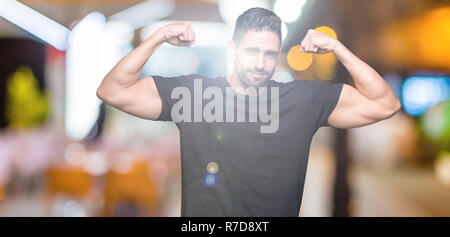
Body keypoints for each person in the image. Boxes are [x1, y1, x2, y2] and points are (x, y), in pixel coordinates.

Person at [96, 8, 401, 217]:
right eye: (252, 51)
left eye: (270, 54)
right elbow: (112, 90)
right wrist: (158, 37)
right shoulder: (194, 95)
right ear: (232, 49)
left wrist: (337, 47)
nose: (260, 63)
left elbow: (385, 103)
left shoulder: (302, 99)